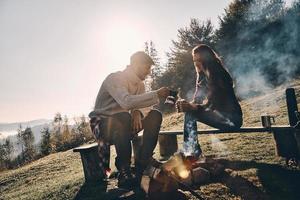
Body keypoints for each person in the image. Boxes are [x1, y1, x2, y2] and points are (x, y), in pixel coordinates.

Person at [89, 51, 170, 189]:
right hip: (101, 124)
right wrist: (156, 94)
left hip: (124, 123)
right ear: (136, 65)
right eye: (147, 68)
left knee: (155, 115)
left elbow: (145, 105)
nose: (149, 72)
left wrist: (138, 112)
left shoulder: (140, 85)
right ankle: (124, 170)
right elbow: (126, 101)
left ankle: (143, 162)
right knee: (123, 117)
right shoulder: (115, 78)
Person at [176, 44, 243, 159]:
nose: (196, 63)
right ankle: (192, 151)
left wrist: (193, 108)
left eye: (199, 60)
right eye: (194, 60)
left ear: (207, 59)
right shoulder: (202, 76)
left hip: (232, 119)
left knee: (191, 113)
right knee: (190, 113)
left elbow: (213, 105)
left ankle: (192, 152)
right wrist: (185, 105)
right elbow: (197, 100)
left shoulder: (219, 75)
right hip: (219, 116)